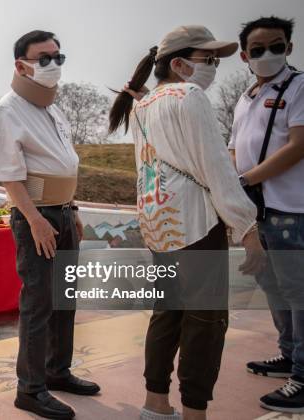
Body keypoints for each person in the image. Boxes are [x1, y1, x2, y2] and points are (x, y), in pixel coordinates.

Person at [109, 25, 265, 420]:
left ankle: (155, 404)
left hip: (160, 223)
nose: (214, 67)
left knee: (168, 312)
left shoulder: (143, 105)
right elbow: (216, 169)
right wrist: (247, 227)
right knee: (206, 321)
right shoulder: (189, 95)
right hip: (195, 224)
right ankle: (195, 412)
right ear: (179, 64)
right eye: (208, 59)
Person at [0, 30, 99, 420]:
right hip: (37, 216)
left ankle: (57, 370)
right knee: (39, 303)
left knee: (64, 299)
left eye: (58, 57)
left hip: (63, 211)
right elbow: (10, 175)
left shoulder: (52, 108)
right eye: (44, 58)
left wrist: (74, 209)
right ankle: (30, 389)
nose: (53, 65)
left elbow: (62, 164)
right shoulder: (8, 110)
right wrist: (34, 219)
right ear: (21, 65)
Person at [228, 16, 304, 413]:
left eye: (276, 46)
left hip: (290, 207)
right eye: (257, 50)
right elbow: (234, 147)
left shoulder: (299, 87)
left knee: (298, 291)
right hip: (256, 211)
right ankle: (289, 355)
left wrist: (246, 180)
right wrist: (229, 185)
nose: (267, 54)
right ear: (245, 56)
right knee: (273, 287)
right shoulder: (247, 97)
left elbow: (298, 145)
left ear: (289, 47)